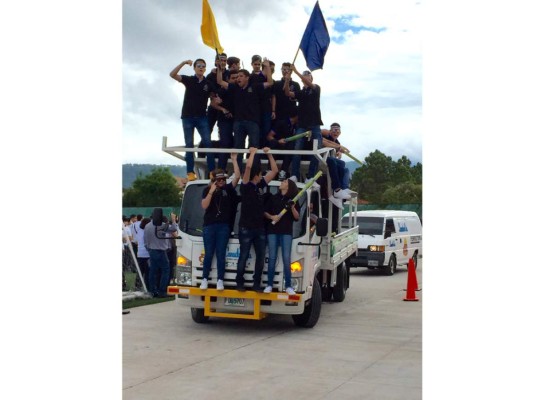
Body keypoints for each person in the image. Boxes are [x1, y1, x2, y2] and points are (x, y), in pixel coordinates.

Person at [217, 58, 274, 171]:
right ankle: (237, 172)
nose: (238, 78)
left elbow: (270, 83)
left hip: (253, 122)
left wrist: (267, 67)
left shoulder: (255, 86)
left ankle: (254, 172)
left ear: (247, 77)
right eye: (237, 76)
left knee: (254, 148)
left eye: (241, 76)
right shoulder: (234, 88)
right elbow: (220, 81)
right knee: (238, 147)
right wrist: (219, 69)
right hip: (238, 123)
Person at [235, 147, 278, 291]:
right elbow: (248, 167)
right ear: (255, 175)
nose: (261, 177)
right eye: (260, 174)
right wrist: (252, 153)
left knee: (260, 258)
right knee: (244, 255)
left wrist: (269, 154)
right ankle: (239, 282)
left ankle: (256, 283)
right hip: (246, 228)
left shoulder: (261, 185)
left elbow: (274, 171)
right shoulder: (245, 186)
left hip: (259, 228)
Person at [169, 59, 217, 181]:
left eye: (203, 66)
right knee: (189, 144)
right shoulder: (189, 80)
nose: (201, 68)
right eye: (199, 66)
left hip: (202, 117)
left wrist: (216, 100)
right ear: (194, 68)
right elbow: (172, 74)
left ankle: (212, 171)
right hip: (187, 117)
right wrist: (183, 63)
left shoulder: (208, 83)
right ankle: (190, 172)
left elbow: (215, 95)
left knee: (208, 143)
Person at [199, 153, 241, 291]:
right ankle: (204, 279)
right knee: (209, 253)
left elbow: (237, 177)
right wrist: (211, 190)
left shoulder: (228, 189)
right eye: (219, 180)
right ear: (214, 180)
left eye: (223, 179)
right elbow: (204, 206)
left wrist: (234, 160)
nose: (222, 182)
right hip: (209, 225)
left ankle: (220, 280)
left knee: (221, 253)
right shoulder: (207, 190)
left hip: (224, 225)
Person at [284, 65, 323, 184]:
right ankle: (295, 175)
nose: (306, 77)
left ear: (311, 78)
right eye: (304, 75)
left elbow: (309, 83)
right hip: (302, 124)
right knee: (297, 148)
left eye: (308, 75)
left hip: (315, 123)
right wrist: (286, 80)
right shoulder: (301, 92)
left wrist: (296, 71)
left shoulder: (316, 88)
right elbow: (287, 93)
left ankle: (310, 176)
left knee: (317, 150)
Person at [263, 177, 300, 294]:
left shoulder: (293, 200)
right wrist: (272, 217)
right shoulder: (274, 197)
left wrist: (293, 208)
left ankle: (288, 286)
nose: (281, 183)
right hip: (272, 231)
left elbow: (297, 217)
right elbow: (264, 212)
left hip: (286, 232)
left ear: (289, 187)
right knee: (272, 258)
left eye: (284, 182)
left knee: (286, 258)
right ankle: (269, 285)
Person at [144, 212, 178, 297]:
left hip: (152, 250)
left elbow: (145, 241)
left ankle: (153, 290)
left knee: (153, 271)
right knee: (166, 270)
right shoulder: (162, 225)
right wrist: (173, 219)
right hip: (161, 251)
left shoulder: (147, 226)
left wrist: (149, 249)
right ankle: (162, 291)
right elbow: (174, 229)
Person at [321, 122, 353, 209]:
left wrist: (338, 152)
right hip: (321, 158)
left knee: (343, 166)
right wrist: (338, 148)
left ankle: (343, 189)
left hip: (330, 159)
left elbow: (338, 149)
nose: (336, 133)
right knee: (333, 161)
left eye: (338, 131)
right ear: (330, 131)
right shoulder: (326, 136)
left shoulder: (337, 141)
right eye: (334, 131)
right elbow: (325, 142)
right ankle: (337, 189)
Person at [134, 217, 151, 290]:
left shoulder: (139, 231)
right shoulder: (146, 231)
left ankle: (137, 285)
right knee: (147, 271)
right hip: (146, 253)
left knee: (140, 270)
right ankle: (147, 286)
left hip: (140, 253)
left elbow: (136, 241)